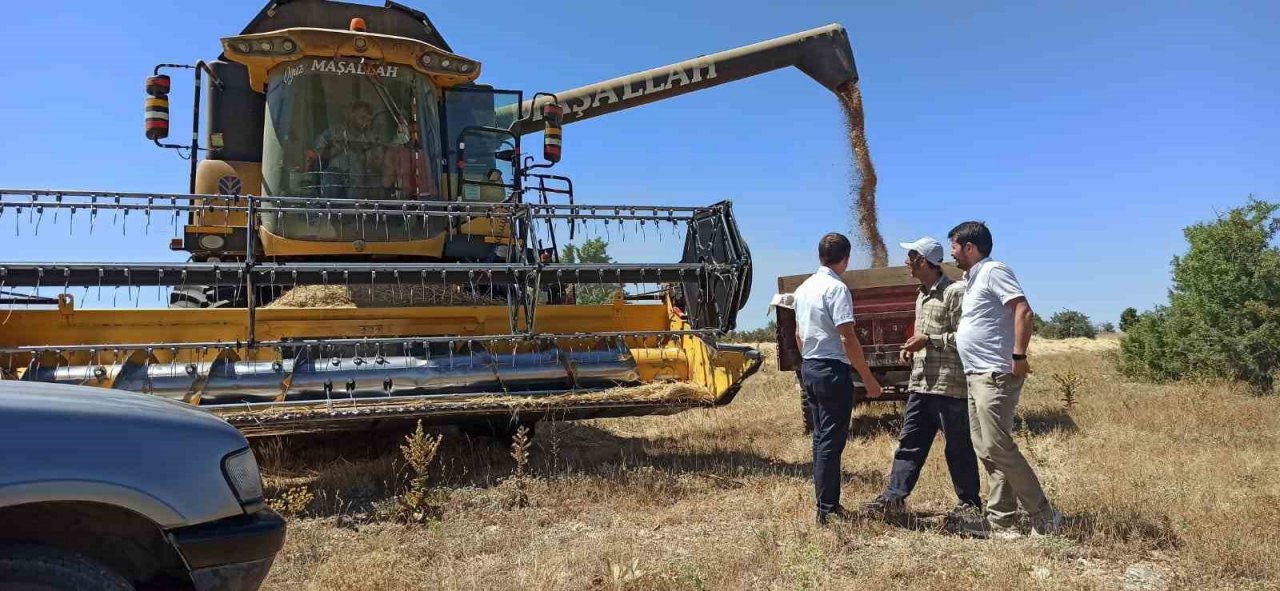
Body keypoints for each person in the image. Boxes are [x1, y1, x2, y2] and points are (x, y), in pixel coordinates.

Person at [949, 221, 1061, 538]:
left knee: (998, 446)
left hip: (995, 374)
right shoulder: (972, 279)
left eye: (954, 247)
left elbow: (1023, 311)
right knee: (986, 449)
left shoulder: (994, 271)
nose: (952, 254)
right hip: (976, 374)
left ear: (970, 247)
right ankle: (1002, 522)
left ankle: (1045, 516)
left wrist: (1019, 356)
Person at [859, 237, 982, 520]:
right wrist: (912, 348)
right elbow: (923, 334)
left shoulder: (955, 293)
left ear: (923, 261)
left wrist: (928, 340)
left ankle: (969, 504)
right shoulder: (921, 294)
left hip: (949, 385)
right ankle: (893, 498)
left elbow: (966, 338)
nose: (906, 262)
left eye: (910, 257)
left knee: (958, 447)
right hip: (921, 383)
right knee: (910, 444)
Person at [793, 232, 883, 525]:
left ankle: (825, 504)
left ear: (820, 256)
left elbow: (798, 334)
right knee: (832, 441)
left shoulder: (803, 288)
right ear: (846, 259)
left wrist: (808, 361)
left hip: (810, 366)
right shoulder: (837, 288)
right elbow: (847, 336)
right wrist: (868, 378)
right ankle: (828, 511)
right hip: (832, 370)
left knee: (821, 439)